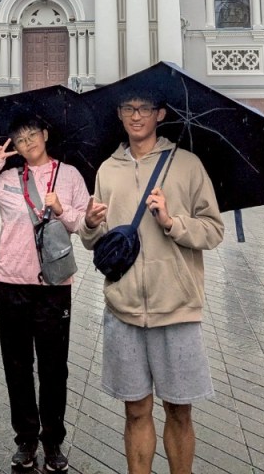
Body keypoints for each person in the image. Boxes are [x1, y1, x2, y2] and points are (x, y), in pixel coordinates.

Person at [80, 91, 224, 474]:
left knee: (178, 410)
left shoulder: (187, 165)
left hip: (176, 309)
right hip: (123, 309)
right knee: (135, 410)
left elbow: (213, 230)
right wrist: (89, 226)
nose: (136, 115)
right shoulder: (107, 170)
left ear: (160, 114)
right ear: (119, 113)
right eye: (128, 108)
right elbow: (98, 240)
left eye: (144, 108)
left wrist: (171, 222)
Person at [0, 110, 89, 472]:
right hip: (11, 284)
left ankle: (53, 441)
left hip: (54, 286)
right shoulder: (7, 179)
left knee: (54, 368)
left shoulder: (69, 175)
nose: (27, 142)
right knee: (17, 365)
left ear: (45, 134)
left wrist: (62, 210)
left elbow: (84, 223)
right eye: (20, 139)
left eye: (32, 134)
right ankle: (26, 439)